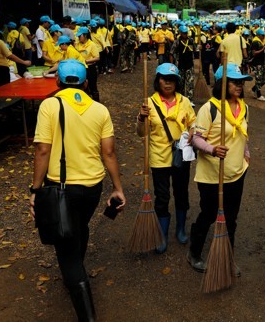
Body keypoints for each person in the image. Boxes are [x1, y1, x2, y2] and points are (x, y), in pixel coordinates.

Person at [29, 59, 126, 321]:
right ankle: (77, 272)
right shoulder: (99, 109)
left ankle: (86, 312)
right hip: (93, 187)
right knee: (80, 225)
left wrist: (35, 190)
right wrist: (118, 188)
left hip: (61, 188)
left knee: (66, 249)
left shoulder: (50, 105)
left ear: (58, 82)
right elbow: (108, 152)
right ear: (84, 83)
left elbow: (43, 150)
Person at [187, 63, 251, 275]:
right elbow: (195, 138)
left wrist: (246, 156)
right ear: (222, 84)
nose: (239, 85)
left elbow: (243, 134)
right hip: (212, 175)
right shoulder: (209, 108)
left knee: (231, 218)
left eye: (241, 81)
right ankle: (194, 253)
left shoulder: (244, 107)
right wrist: (212, 149)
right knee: (209, 214)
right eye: (234, 81)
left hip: (236, 173)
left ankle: (227, 258)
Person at [136, 63, 196, 254]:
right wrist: (140, 117)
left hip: (180, 156)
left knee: (181, 193)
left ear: (177, 82)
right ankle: (162, 234)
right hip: (158, 157)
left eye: (171, 80)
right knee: (162, 197)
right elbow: (141, 133)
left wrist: (192, 134)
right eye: (164, 79)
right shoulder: (149, 103)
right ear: (157, 80)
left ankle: (180, 229)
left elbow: (193, 124)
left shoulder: (185, 102)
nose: (168, 83)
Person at [170, 25, 196, 102]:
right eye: (183, 33)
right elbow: (171, 53)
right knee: (180, 83)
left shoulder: (191, 41)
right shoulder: (177, 42)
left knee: (190, 83)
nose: (185, 34)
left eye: (186, 33)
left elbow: (195, 50)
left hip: (189, 65)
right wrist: (172, 65)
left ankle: (189, 100)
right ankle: (179, 98)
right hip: (180, 65)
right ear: (180, 33)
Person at [75, 26, 100, 101]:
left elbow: (97, 57)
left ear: (85, 35)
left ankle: (96, 102)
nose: (79, 37)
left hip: (90, 68)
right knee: (82, 87)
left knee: (92, 86)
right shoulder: (77, 44)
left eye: (80, 36)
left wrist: (86, 61)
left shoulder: (92, 45)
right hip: (80, 68)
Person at [250, 28, 265, 101]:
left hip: (261, 63)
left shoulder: (259, 42)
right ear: (258, 35)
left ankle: (254, 89)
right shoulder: (255, 42)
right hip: (257, 63)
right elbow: (254, 53)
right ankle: (258, 94)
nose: (263, 36)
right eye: (262, 35)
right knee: (259, 79)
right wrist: (263, 49)